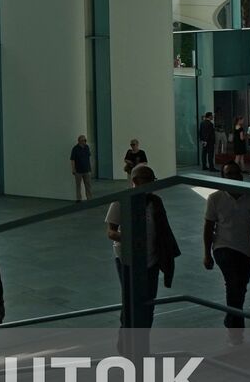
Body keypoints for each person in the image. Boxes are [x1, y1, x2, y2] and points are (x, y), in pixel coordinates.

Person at [105, 165, 180, 329]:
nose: (152, 184)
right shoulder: (121, 201)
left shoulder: (155, 202)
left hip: (151, 259)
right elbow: (111, 232)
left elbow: (162, 229)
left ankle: (142, 341)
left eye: (153, 180)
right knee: (131, 300)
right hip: (127, 259)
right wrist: (130, 238)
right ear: (135, 181)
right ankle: (127, 339)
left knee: (148, 302)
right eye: (148, 180)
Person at [203, 164, 250, 343]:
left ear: (241, 176)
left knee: (239, 287)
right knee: (234, 283)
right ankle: (236, 330)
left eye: (235, 173)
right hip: (222, 248)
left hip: (246, 251)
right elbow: (208, 227)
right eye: (229, 174)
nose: (233, 176)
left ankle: (231, 318)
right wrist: (207, 254)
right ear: (223, 177)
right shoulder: (215, 198)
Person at [70, 134, 93, 202]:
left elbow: (89, 157)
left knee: (88, 185)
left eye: (85, 140)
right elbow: (72, 160)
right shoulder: (75, 149)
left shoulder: (87, 147)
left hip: (86, 170)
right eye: (83, 140)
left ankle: (89, 198)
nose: (85, 142)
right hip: (78, 170)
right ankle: (79, 199)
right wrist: (73, 169)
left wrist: (90, 167)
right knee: (78, 185)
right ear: (79, 141)